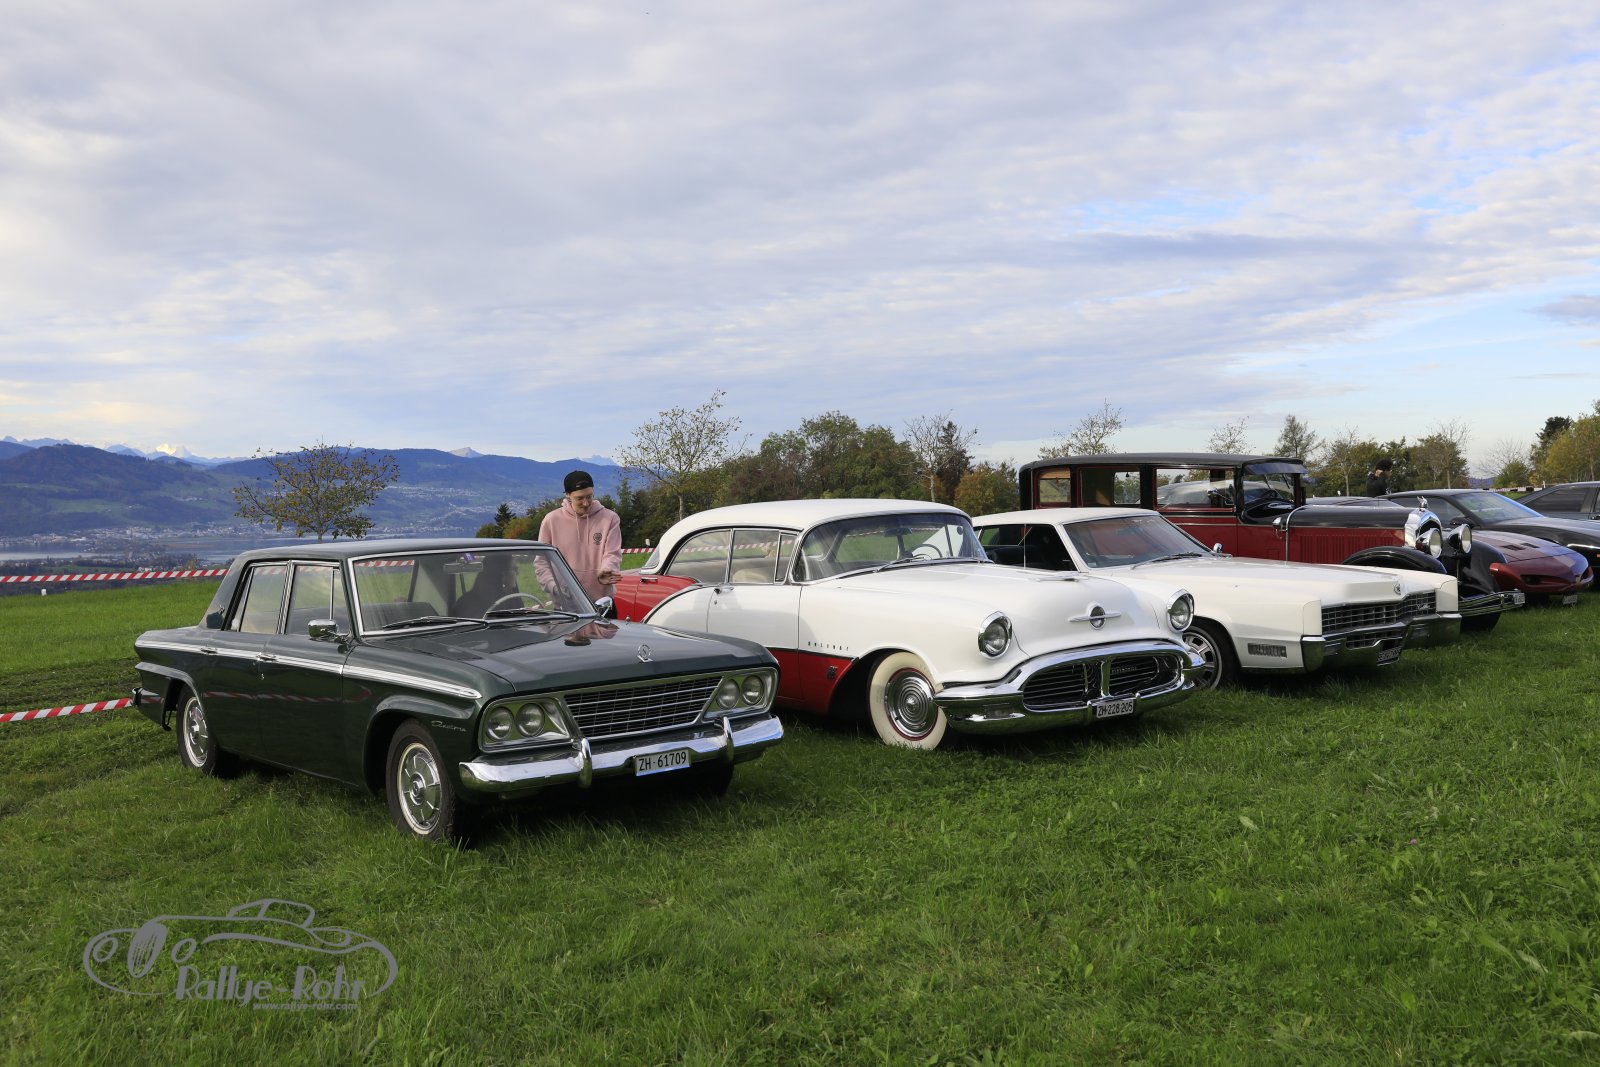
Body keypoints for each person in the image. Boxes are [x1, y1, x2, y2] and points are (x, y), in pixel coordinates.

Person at [537, 471, 623, 603]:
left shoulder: (610, 518)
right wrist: (554, 587)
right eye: (580, 498)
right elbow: (541, 561)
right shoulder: (551, 520)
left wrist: (607, 570)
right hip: (565, 604)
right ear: (567, 495)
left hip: (602, 602)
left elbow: (612, 553)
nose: (586, 503)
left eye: (589, 496)